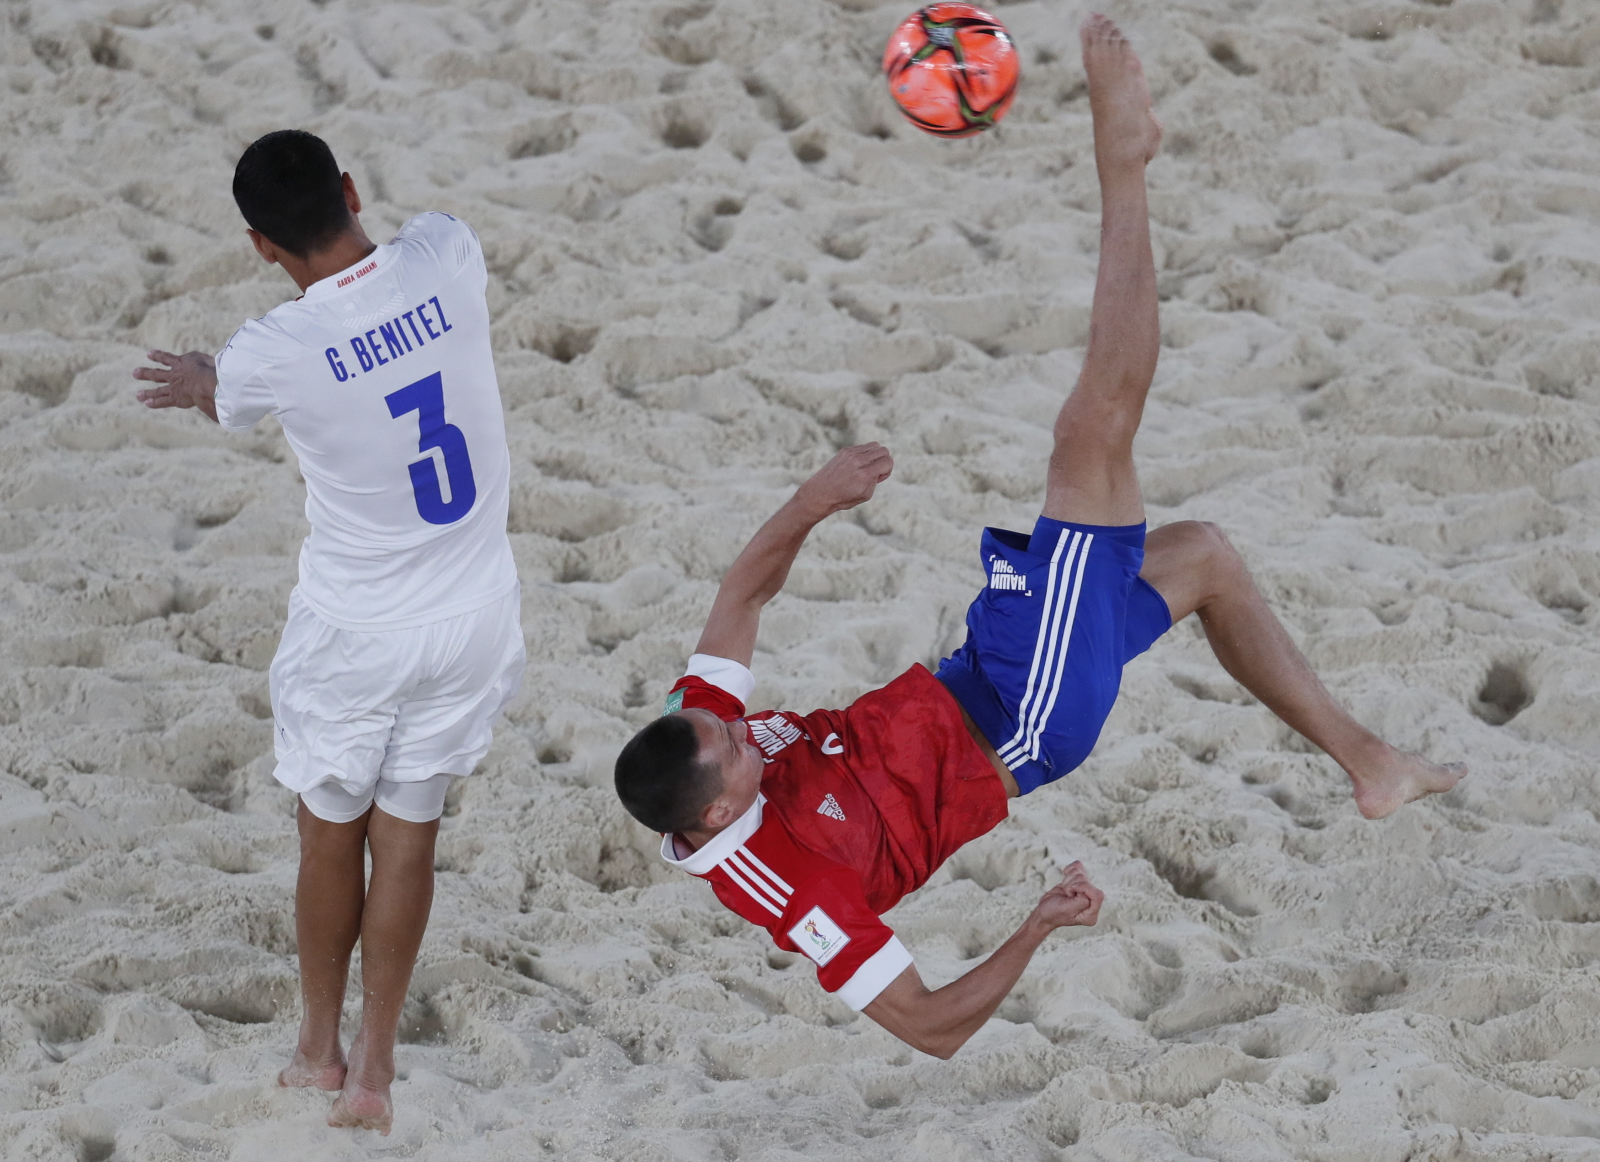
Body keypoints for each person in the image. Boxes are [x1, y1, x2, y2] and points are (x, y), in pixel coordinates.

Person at [611, 16, 1464, 1060]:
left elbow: (740, 597)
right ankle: (1124, 161)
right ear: (707, 821)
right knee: (1092, 428)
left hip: (979, 668)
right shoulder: (787, 883)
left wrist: (812, 501)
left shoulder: (692, 746)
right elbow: (926, 1025)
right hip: (1024, 708)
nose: (746, 732)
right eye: (737, 751)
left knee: (1202, 558)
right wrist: (1036, 925)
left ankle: (1369, 762)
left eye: (729, 727)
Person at [132, 131, 524, 1133]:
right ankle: (377, 1066)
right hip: (474, 614)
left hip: (356, 632)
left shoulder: (274, 348)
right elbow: (430, 253)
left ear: (262, 246)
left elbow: (227, 390)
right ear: (350, 189)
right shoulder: (444, 250)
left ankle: (317, 1046)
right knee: (409, 837)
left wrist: (197, 378)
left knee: (327, 835)